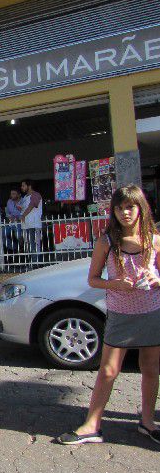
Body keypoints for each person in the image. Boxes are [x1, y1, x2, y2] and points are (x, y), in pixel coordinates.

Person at [58, 185, 160, 446]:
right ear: (113, 211)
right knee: (108, 370)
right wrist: (114, 283)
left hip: (151, 312)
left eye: (130, 207)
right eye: (119, 208)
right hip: (120, 313)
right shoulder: (107, 241)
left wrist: (155, 278)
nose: (125, 213)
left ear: (141, 208)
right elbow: (92, 279)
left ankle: (147, 422)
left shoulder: (155, 239)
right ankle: (92, 425)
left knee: (150, 369)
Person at [19, 179, 43, 263]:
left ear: (29, 186)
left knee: (35, 244)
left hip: (34, 223)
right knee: (28, 244)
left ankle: (36, 262)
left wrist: (23, 215)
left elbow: (32, 205)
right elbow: (23, 208)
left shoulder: (36, 194)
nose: (22, 187)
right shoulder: (25, 197)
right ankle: (32, 262)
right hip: (26, 224)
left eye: (23, 185)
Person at [3, 189, 23, 253]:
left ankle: (22, 248)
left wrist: (17, 217)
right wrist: (9, 216)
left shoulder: (23, 201)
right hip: (11, 222)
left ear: (19, 195)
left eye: (14, 194)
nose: (11, 195)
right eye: (11, 194)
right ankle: (14, 248)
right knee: (1, 234)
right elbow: (7, 213)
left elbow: (25, 213)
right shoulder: (9, 201)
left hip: (20, 222)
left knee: (18, 236)